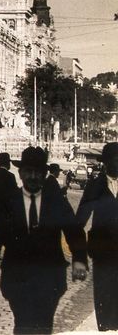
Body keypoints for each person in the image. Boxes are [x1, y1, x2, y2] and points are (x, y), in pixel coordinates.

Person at [0, 146, 88, 334]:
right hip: (16, 278)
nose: (33, 176)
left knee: (43, 323)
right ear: (21, 174)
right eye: (28, 171)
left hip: (49, 278)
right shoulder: (9, 201)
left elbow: (74, 231)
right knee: (23, 321)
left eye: (38, 172)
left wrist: (79, 259)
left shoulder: (56, 201)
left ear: (44, 175)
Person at [75, 141, 118, 332]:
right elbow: (80, 221)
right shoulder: (95, 185)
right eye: (114, 160)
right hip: (103, 251)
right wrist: (79, 256)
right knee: (105, 296)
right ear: (106, 163)